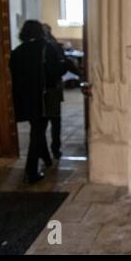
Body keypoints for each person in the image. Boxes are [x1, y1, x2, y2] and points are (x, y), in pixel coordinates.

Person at [9, 20, 67, 184]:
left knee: (36, 128)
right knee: (38, 132)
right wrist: (63, 66)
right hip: (43, 97)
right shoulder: (46, 48)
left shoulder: (17, 52)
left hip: (25, 98)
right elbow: (55, 72)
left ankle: (46, 159)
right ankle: (31, 170)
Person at [42, 24, 79, 160]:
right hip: (52, 88)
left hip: (43, 89)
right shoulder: (53, 46)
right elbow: (61, 66)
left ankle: (47, 151)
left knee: (44, 122)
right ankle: (54, 149)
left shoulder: (47, 47)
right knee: (54, 120)